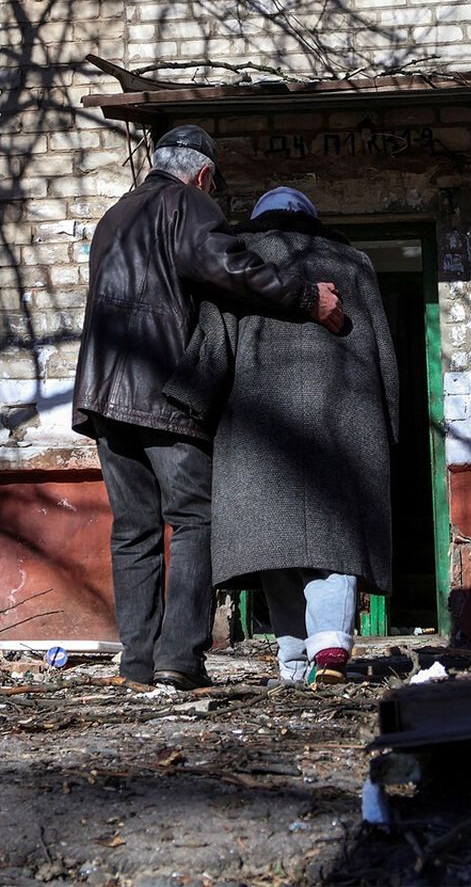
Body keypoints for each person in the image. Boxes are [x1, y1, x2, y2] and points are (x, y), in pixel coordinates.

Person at [72, 128, 345, 691]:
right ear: (202, 175)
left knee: (133, 530)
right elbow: (232, 268)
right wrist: (305, 297)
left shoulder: (114, 216)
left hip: (103, 393)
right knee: (194, 521)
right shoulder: (187, 204)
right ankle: (179, 658)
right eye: (213, 183)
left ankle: (138, 664)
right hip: (165, 390)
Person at [165, 187, 399, 686]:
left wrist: (188, 404)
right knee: (334, 541)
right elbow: (384, 349)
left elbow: (214, 340)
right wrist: (390, 425)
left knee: (273, 546)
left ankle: (294, 662)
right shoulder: (355, 262)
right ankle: (330, 643)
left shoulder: (241, 262)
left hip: (258, 428)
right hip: (345, 420)